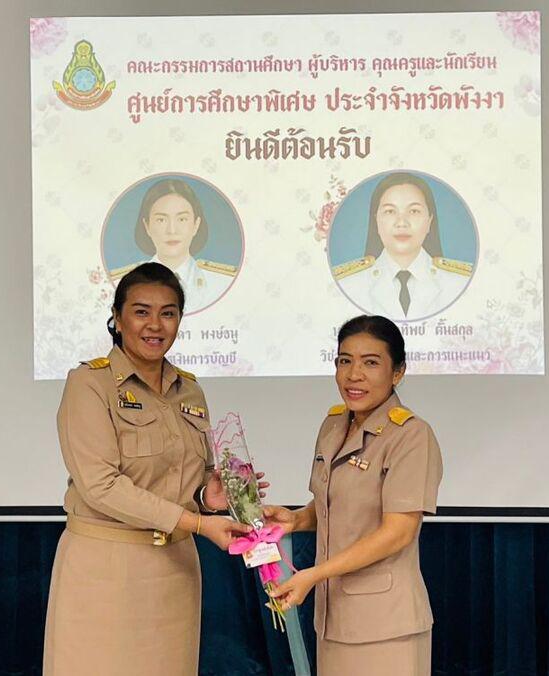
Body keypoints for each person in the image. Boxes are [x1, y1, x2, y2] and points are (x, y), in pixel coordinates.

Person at [43, 262, 259, 675]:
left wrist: (207, 496)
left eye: (168, 313)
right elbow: (101, 486)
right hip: (105, 569)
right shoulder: (89, 384)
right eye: (141, 312)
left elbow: (189, 478)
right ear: (117, 317)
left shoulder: (189, 389)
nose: (155, 325)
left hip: (175, 571)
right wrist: (197, 523)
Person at [265, 315, 443, 676]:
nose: (353, 374)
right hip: (333, 616)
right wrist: (296, 519)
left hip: (385, 623)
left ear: (398, 372)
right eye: (344, 361)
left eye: (370, 363)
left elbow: (399, 532)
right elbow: (335, 503)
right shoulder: (333, 424)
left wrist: (314, 574)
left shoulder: (410, 435)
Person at [334, 172, 473, 321]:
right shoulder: (348, 283)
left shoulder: (460, 281)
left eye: (414, 211)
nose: (401, 223)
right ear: (376, 221)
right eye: (390, 211)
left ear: (429, 221)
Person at [109, 178, 238, 314]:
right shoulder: (120, 282)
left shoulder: (222, 281)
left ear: (196, 225)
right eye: (161, 220)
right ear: (147, 226)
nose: (172, 230)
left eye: (182, 219)